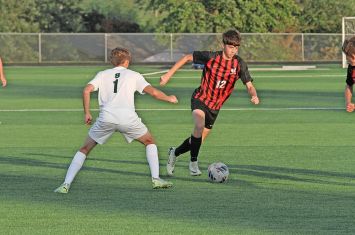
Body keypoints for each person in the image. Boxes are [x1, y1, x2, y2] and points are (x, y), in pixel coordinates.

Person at [54, 47, 178, 193]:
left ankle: (65, 184)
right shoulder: (134, 75)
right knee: (149, 141)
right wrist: (169, 98)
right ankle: (156, 179)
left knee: (85, 149)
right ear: (127, 61)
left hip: (106, 118)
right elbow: (154, 93)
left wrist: (87, 112)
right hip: (128, 119)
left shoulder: (102, 74)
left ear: (113, 61)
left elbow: (86, 90)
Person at [160, 29, 260, 176]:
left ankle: (174, 153)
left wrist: (254, 96)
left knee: (197, 140)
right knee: (199, 125)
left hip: (215, 107)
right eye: (231, 47)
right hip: (200, 99)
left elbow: (249, 85)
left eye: (236, 47)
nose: (233, 50)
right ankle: (193, 163)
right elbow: (187, 57)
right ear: (223, 45)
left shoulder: (239, 64)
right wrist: (168, 75)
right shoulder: (211, 57)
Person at [343, 36, 355, 112]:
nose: (346, 58)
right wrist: (348, 103)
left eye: (347, 55)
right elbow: (349, 85)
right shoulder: (351, 68)